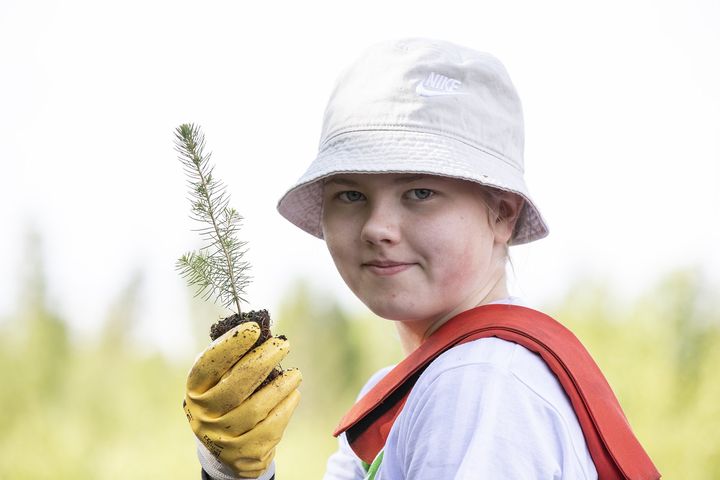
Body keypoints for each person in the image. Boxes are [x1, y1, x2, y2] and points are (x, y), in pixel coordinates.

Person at [183, 37, 660, 480]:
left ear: (502, 215)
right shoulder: (405, 385)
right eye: (350, 194)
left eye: (420, 191)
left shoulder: (478, 383)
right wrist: (236, 473)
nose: (377, 227)